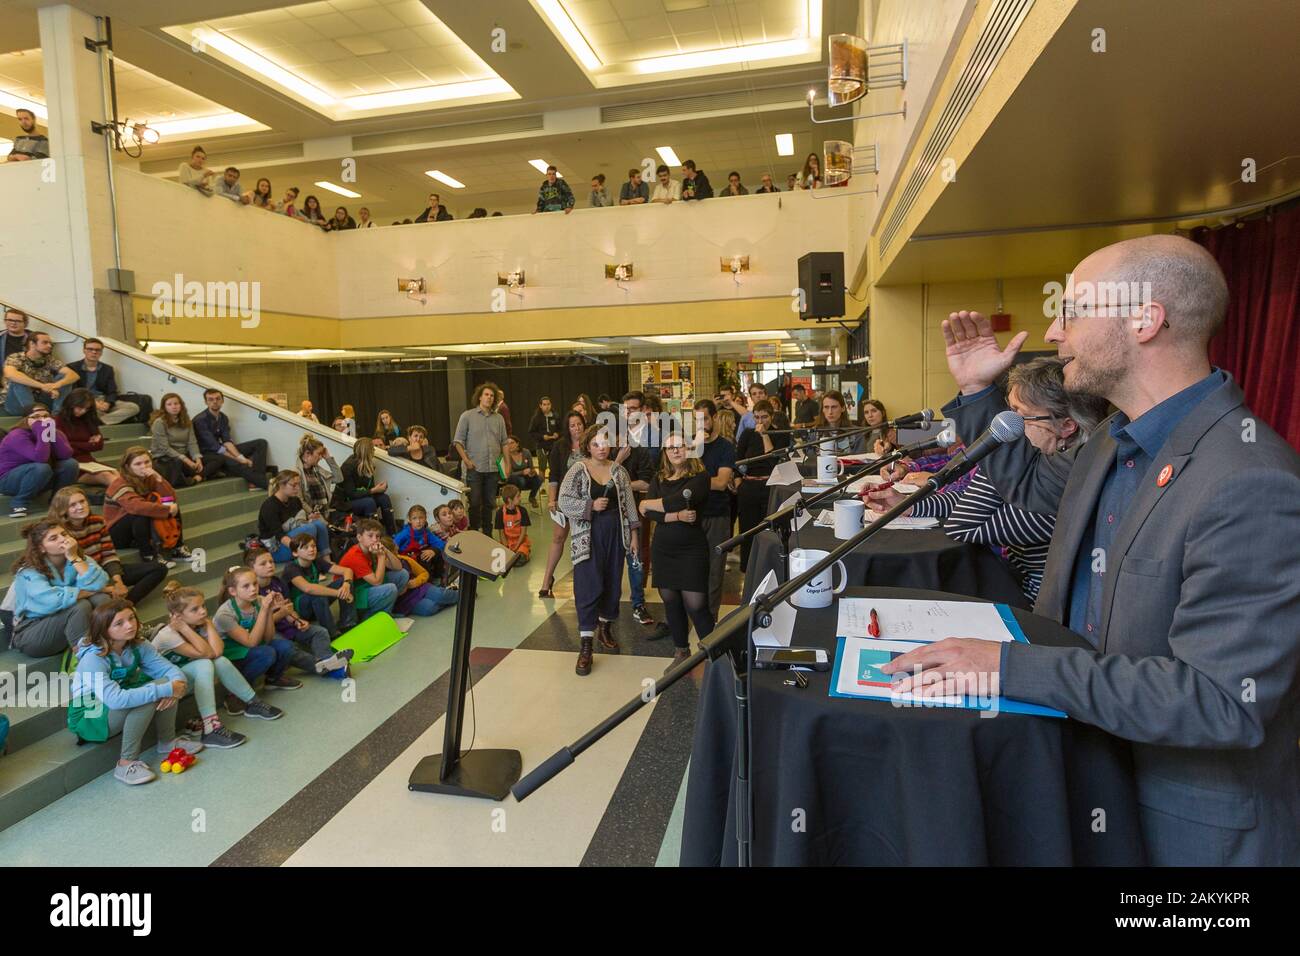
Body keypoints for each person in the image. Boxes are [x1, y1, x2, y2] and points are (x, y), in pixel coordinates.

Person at [885, 235, 1300, 865]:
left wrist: (1006, 666)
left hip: (1185, 833)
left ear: (1145, 318)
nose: (1053, 330)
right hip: (1087, 785)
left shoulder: (1249, 479)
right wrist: (976, 396)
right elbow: (1022, 481)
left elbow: (1220, 702)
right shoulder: (1111, 440)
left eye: (1073, 309)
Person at [868, 359, 1108, 604]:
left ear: (1067, 426)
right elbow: (969, 499)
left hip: (1033, 606)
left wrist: (999, 455)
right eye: (1008, 412)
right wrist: (910, 504)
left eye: (1019, 417)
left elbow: (963, 523)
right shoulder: (1043, 469)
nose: (1006, 425)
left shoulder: (1063, 485)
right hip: (1009, 582)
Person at [71, 599, 201, 786]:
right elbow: (115, 700)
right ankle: (125, 763)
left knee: (167, 683)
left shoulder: (138, 645)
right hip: (90, 714)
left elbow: (172, 672)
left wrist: (174, 686)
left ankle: (168, 742)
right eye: (119, 623)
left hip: (120, 699)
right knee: (149, 695)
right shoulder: (93, 658)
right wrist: (166, 689)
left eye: (132, 618)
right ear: (104, 629)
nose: (130, 625)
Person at [153, 582, 282, 747]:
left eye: (203, 606)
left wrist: (208, 624)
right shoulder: (168, 635)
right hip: (165, 687)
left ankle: (253, 702)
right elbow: (206, 654)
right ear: (177, 616)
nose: (203, 611)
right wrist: (185, 629)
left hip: (184, 679)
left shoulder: (200, 624)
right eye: (195, 609)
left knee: (220, 661)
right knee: (204, 664)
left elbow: (218, 652)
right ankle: (211, 728)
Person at [558, 425, 640, 676]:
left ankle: (605, 627)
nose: (601, 447)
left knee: (612, 581)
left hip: (616, 532)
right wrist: (590, 505)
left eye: (605, 443)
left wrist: (634, 534)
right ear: (588, 447)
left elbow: (629, 504)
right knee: (587, 584)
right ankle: (586, 645)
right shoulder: (578, 470)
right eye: (596, 444)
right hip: (588, 535)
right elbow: (563, 500)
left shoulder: (619, 471)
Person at [638, 435, 713, 669]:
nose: (675, 451)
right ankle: (681, 651)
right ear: (665, 452)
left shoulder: (700, 477)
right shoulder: (659, 478)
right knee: (670, 601)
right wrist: (677, 516)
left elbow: (676, 501)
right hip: (663, 548)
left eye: (679, 446)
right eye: (669, 448)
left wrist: (649, 504)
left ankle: (715, 653)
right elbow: (651, 514)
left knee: (696, 604)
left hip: (691, 548)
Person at [9, 518, 111, 658]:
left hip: (66, 625)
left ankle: (116, 647)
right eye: (53, 538)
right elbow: (52, 601)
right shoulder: (27, 572)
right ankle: (87, 660)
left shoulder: (76, 558)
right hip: (32, 633)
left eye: (64, 534)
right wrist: (91, 591)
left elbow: (100, 583)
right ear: (41, 548)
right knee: (79, 606)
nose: (63, 539)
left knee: (102, 598)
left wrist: (74, 557)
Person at [48, 487, 166, 607]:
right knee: (100, 598)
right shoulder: (60, 533)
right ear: (63, 510)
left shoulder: (98, 521)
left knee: (159, 568)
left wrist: (117, 582)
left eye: (82, 501)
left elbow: (108, 554)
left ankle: (126, 605)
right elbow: (71, 574)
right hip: (81, 579)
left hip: (102, 570)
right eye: (73, 505)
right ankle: (117, 609)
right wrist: (107, 589)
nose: (80, 507)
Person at [246, 548, 349, 675]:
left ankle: (327, 659)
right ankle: (324, 666)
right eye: (263, 563)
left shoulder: (278, 582)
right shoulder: (251, 592)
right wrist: (282, 614)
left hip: (287, 625)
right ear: (251, 569)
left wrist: (297, 621)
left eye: (271, 562)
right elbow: (259, 625)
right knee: (289, 648)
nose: (270, 565)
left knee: (320, 632)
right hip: (270, 633)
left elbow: (289, 609)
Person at [213, 566, 303, 693]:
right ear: (233, 591)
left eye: (255, 583)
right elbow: (251, 642)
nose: (253, 589)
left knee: (286, 646)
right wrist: (264, 610)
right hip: (233, 654)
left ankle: (273, 679)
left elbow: (268, 638)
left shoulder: (259, 600)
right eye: (246, 586)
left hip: (250, 648)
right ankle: (237, 691)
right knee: (267, 653)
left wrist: (269, 612)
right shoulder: (225, 614)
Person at [105, 447, 191, 565]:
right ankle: (149, 556)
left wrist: (158, 479)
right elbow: (136, 506)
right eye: (138, 464)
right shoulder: (120, 483)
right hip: (118, 533)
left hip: (138, 529)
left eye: (147, 462)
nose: (144, 467)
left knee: (172, 506)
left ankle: (177, 547)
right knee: (141, 513)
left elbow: (170, 498)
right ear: (127, 466)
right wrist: (166, 510)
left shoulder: (149, 477)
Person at [733, 399, 791, 571]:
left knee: (769, 530)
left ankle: (769, 567)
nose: (760, 421)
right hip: (749, 485)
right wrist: (737, 478)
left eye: (764, 417)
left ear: (771, 417)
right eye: (757, 417)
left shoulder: (780, 434)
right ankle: (748, 568)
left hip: (770, 485)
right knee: (748, 529)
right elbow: (738, 458)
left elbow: (774, 459)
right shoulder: (747, 434)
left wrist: (765, 435)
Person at [691, 400, 736, 618]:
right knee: (693, 568)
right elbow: (681, 478)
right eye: (697, 420)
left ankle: (710, 618)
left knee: (715, 571)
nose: (702, 425)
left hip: (717, 514)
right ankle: (694, 613)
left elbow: (720, 483)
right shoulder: (691, 446)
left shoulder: (726, 447)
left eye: (705, 419)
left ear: (715, 418)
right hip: (693, 515)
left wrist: (695, 481)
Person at [0, 403, 79, 519]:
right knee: (41, 467)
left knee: (70, 464)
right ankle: (18, 503)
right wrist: (41, 431)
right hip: (7, 481)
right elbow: (40, 458)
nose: (42, 420)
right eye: (36, 417)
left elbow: (65, 454)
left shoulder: (50, 432)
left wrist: (53, 432)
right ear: (26, 419)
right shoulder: (16, 435)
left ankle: (57, 500)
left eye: (46, 416)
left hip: (37, 476)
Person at [538, 410, 586, 599]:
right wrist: (552, 499)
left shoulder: (592, 443)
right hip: (565, 499)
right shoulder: (560, 446)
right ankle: (546, 581)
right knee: (558, 538)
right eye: (572, 425)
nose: (576, 428)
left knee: (582, 541)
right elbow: (554, 475)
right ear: (567, 428)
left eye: (579, 424)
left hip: (586, 501)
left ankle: (584, 584)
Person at [453, 382, 509, 535]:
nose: (489, 398)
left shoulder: (499, 419)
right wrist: (466, 460)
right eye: (486, 394)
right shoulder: (467, 416)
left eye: (492, 396)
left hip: (493, 468)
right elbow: (458, 441)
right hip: (475, 468)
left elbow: (504, 442)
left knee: (490, 503)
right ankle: (474, 533)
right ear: (479, 397)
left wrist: (508, 465)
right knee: (475, 503)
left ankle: (487, 533)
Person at [281, 532, 357, 640]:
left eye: (313, 546)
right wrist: (339, 593)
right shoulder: (291, 568)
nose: (311, 550)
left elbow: (347, 570)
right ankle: (332, 634)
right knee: (317, 594)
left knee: (343, 582)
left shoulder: (316, 561)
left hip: (317, 603)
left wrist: (346, 584)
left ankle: (348, 623)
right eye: (305, 547)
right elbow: (308, 588)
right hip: (301, 610)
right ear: (295, 553)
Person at [193, 388, 269, 489]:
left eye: (217, 399)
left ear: (222, 401)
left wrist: (240, 457)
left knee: (261, 443)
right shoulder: (200, 420)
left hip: (221, 450)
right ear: (206, 402)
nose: (215, 402)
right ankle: (268, 485)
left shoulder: (223, 417)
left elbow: (227, 441)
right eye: (211, 399)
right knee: (239, 464)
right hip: (209, 455)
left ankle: (257, 480)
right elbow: (215, 447)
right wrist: (240, 460)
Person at [337, 518, 410, 621]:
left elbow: (398, 567)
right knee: (390, 589)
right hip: (353, 595)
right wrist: (381, 557)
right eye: (370, 536)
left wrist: (385, 550)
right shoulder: (355, 556)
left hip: (365, 586)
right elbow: (377, 582)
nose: (375, 539)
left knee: (403, 574)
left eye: (378, 536)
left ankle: (385, 612)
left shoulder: (371, 548)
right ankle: (369, 617)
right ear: (359, 537)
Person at [258, 470, 333, 562]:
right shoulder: (269, 506)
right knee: (310, 528)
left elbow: (297, 522)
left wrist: (309, 519)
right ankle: (307, 559)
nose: (297, 488)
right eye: (293, 485)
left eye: (298, 485)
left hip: (292, 539)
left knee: (318, 524)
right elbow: (279, 535)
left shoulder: (295, 500)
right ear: (281, 485)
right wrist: (297, 550)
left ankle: (327, 560)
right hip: (276, 548)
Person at [67, 338, 142, 425]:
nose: (94, 352)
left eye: (98, 350)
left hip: (103, 400)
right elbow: (73, 392)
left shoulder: (107, 369)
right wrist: (92, 402)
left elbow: (112, 391)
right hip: (83, 402)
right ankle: (100, 419)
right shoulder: (72, 367)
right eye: (90, 349)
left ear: (101, 352)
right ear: (84, 350)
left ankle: (101, 421)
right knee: (90, 411)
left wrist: (107, 403)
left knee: (133, 407)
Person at [3, 329, 79, 415]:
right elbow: (10, 374)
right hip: (17, 403)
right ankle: (34, 414)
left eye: (50, 343)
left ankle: (57, 414)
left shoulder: (49, 359)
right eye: (45, 342)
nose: (50, 346)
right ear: (32, 344)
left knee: (65, 377)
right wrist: (42, 386)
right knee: (18, 380)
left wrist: (56, 385)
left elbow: (74, 375)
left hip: (41, 400)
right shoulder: (16, 357)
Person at [55, 388, 119, 488]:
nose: (83, 411)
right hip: (70, 465)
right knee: (107, 476)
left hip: (89, 462)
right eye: (80, 407)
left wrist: (73, 444)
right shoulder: (58, 421)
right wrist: (88, 444)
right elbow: (62, 449)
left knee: (116, 474)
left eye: (87, 408)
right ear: (71, 404)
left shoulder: (88, 419)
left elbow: (99, 445)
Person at [381, 536, 458, 617]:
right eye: (395, 549)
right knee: (429, 608)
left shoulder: (404, 559)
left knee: (441, 595)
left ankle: (460, 596)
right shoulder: (381, 569)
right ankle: (446, 597)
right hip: (404, 601)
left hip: (420, 588)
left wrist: (415, 582)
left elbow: (424, 573)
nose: (398, 547)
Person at [333, 437, 395, 533]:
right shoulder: (348, 467)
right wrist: (373, 490)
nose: (374, 451)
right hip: (344, 503)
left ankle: (392, 534)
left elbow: (370, 489)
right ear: (367, 451)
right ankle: (375, 535)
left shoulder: (368, 464)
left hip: (360, 498)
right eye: (372, 449)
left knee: (384, 498)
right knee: (369, 502)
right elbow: (351, 494)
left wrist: (379, 489)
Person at [148, 392, 205, 487]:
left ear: (181, 405)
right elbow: (165, 448)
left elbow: (192, 442)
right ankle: (194, 479)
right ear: (164, 407)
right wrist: (186, 460)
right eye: (169, 404)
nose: (174, 407)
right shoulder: (159, 423)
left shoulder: (187, 421)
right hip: (166, 457)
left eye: (176, 403)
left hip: (184, 455)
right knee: (178, 463)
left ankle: (198, 474)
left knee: (214, 458)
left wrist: (197, 458)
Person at [811, 389, 865, 454]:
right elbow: (809, 460)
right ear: (822, 410)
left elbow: (860, 460)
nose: (830, 412)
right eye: (826, 407)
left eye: (834, 407)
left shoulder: (856, 434)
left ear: (843, 408)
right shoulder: (815, 433)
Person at [494, 483, 532, 565]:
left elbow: (523, 532)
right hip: (507, 542)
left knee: (520, 559)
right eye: (518, 496)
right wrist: (507, 548)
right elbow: (501, 533)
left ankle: (524, 554)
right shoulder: (500, 513)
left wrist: (517, 546)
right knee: (497, 557)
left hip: (521, 542)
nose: (520, 498)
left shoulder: (523, 511)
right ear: (509, 500)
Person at [499, 436, 542, 506]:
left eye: (512, 443)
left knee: (539, 478)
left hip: (526, 478)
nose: (510, 446)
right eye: (507, 444)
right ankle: (516, 498)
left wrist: (532, 472)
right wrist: (522, 472)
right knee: (521, 480)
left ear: (517, 443)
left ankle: (532, 497)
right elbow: (508, 474)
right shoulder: (505, 456)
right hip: (512, 479)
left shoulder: (526, 452)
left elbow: (531, 467)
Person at [528, 397, 560, 476]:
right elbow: (531, 432)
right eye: (544, 404)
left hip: (553, 446)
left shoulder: (555, 416)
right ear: (540, 406)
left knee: (554, 467)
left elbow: (561, 429)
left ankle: (553, 486)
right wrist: (542, 437)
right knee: (542, 468)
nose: (547, 406)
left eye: (548, 404)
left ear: (551, 405)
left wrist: (558, 434)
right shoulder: (536, 418)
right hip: (541, 447)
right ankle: (541, 487)